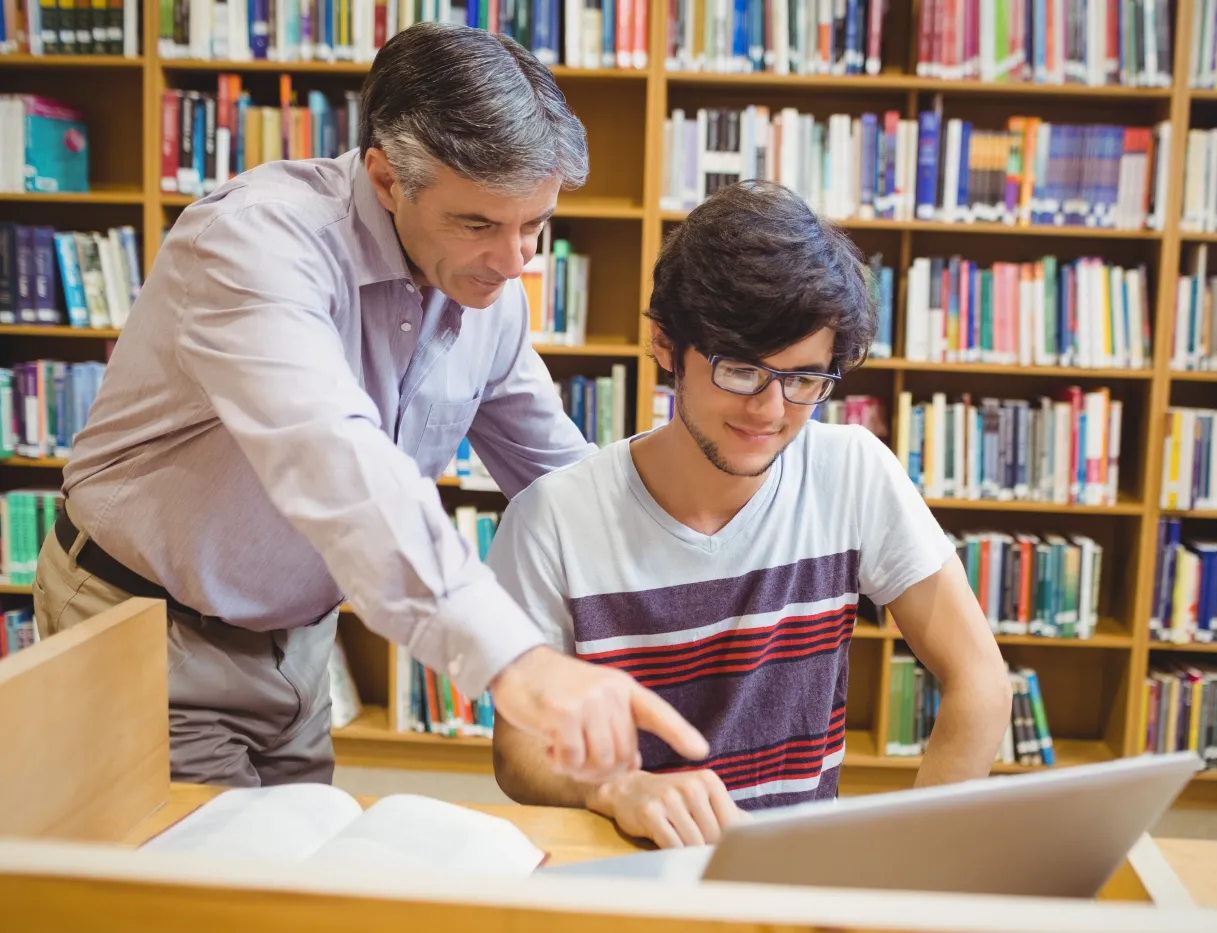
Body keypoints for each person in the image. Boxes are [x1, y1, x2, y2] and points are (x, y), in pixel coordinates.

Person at [31, 22, 706, 789]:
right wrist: (517, 659)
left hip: (301, 647)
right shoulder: (254, 243)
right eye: (479, 223)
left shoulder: (490, 288)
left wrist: (708, 576)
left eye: (535, 225)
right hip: (148, 626)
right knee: (210, 897)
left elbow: (560, 475)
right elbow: (334, 459)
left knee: (293, 876)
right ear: (387, 179)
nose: (516, 260)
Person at [486, 179, 1014, 849]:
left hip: (790, 885)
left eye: (803, 380)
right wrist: (612, 786)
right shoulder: (551, 518)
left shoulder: (852, 471)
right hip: (629, 876)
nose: (769, 411)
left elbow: (981, 681)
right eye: (740, 370)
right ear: (665, 344)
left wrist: (911, 868)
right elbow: (517, 754)